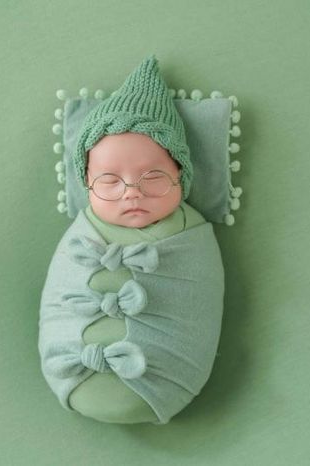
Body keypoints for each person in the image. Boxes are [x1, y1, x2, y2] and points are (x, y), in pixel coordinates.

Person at [39, 56, 224, 424]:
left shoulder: (191, 237)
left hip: (167, 378)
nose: (131, 192)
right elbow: (59, 294)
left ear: (180, 175)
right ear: (87, 184)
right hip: (70, 370)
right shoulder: (80, 234)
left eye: (152, 178)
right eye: (110, 181)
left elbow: (198, 302)